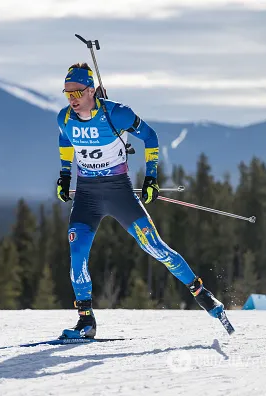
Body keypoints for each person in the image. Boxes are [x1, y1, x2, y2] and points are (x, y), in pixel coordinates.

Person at [55, 63, 225, 339]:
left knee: (154, 247)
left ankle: (203, 295)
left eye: (77, 93)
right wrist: (64, 176)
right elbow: (64, 141)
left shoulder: (117, 114)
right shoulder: (64, 118)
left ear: (92, 90)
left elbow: (150, 136)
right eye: (67, 94)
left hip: (119, 193)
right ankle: (86, 321)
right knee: (77, 254)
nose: (72, 99)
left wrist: (151, 178)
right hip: (86, 196)